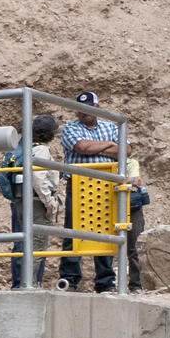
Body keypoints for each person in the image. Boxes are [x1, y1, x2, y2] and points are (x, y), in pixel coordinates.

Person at [56, 91, 119, 293]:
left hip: (106, 184)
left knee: (105, 231)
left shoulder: (111, 126)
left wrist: (96, 148)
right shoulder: (70, 128)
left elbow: (125, 149)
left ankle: (105, 281)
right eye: (81, 110)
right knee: (73, 231)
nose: (84, 113)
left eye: (89, 108)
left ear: (97, 107)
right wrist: (109, 146)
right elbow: (82, 147)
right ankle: (70, 279)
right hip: (78, 183)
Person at [0, 112, 64, 287]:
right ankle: (30, 284)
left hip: (20, 200)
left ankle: (21, 284)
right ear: (49, 133)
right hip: (36, 202)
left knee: (22, 243)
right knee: (37, 245)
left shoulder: (23, 148)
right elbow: (39, 177)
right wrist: (49, 202)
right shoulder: (40, 149)